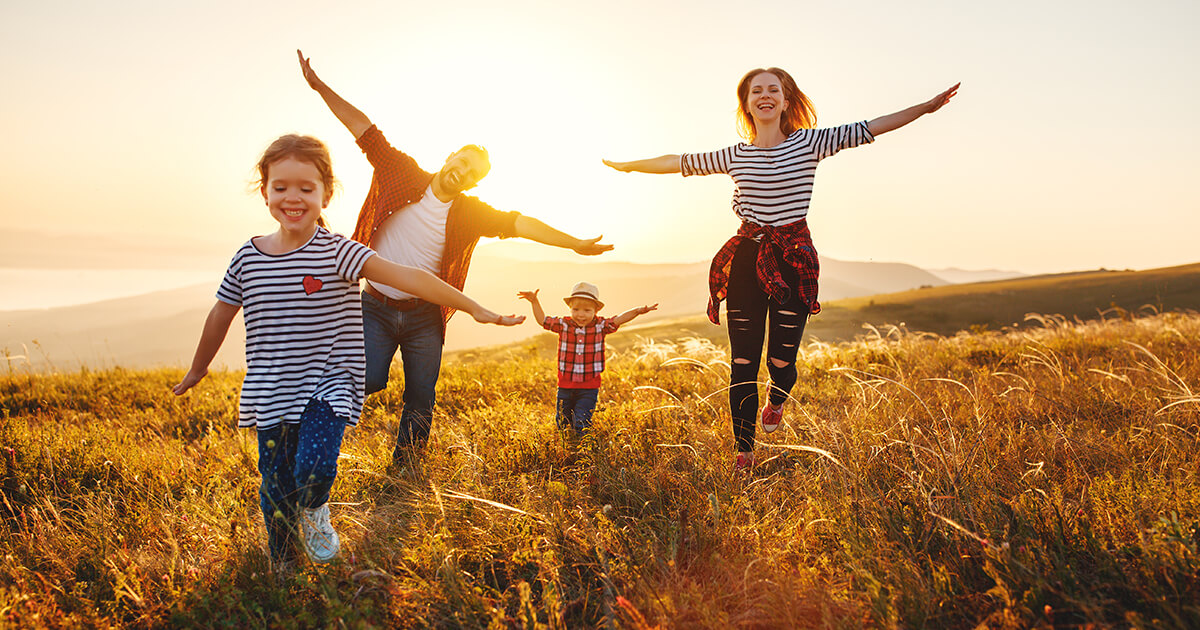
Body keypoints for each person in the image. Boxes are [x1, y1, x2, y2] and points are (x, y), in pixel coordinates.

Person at [172, 134, 522, 572]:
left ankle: (316, 511)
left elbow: (412, 278)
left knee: (313, 469)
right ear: (264, 192)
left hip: (328, 387)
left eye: (306, 188)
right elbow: (221, 313)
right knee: (276, 486)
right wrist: (197, 369)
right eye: (281, 187)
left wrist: (473, 307)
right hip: (271, 393)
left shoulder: (340, 251)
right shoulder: (248, 257)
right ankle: (283, 562)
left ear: (326, 194)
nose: (293, 197)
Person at [604, 68, 958, 472]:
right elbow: (678, 161)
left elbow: (871, 126)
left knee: (781, 362)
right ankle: (744, 452)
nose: (765, 95)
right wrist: (630, 166)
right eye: (757, 91)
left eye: (774, 89)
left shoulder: (811, 142)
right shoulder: (734, 155)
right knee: (742, 362)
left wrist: (926, 109)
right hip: (746, 261)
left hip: (792, 260)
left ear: (786, 101)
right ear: (747, 103)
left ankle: (777, 400)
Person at [297, 50, 613, 464]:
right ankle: (306, 423)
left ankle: (406, 467)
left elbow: (522, 223)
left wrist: (573, 243)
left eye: (471, 174)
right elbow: (364, 129)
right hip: (374, 305)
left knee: (421, 394)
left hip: (425, 314)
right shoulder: (401, 172)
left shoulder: (469, 213)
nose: (461, 173)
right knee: (368, 377)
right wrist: (320, 87)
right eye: (460, 163)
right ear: (448, 158)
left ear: (472, 182)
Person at [518, 283, 657, 436]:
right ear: (570, 308)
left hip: (589, 387)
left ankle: (584, 450)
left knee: (582, 421)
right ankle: (568, 450)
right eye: (576, 310)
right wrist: (534, 302)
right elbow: (542, 320)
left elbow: (619, 319)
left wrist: (637, 311)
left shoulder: (600, 326)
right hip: (565, 385)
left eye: (587, 310)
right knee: (562, 422)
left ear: (596, 311)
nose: (580, 315)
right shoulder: (563, 325)